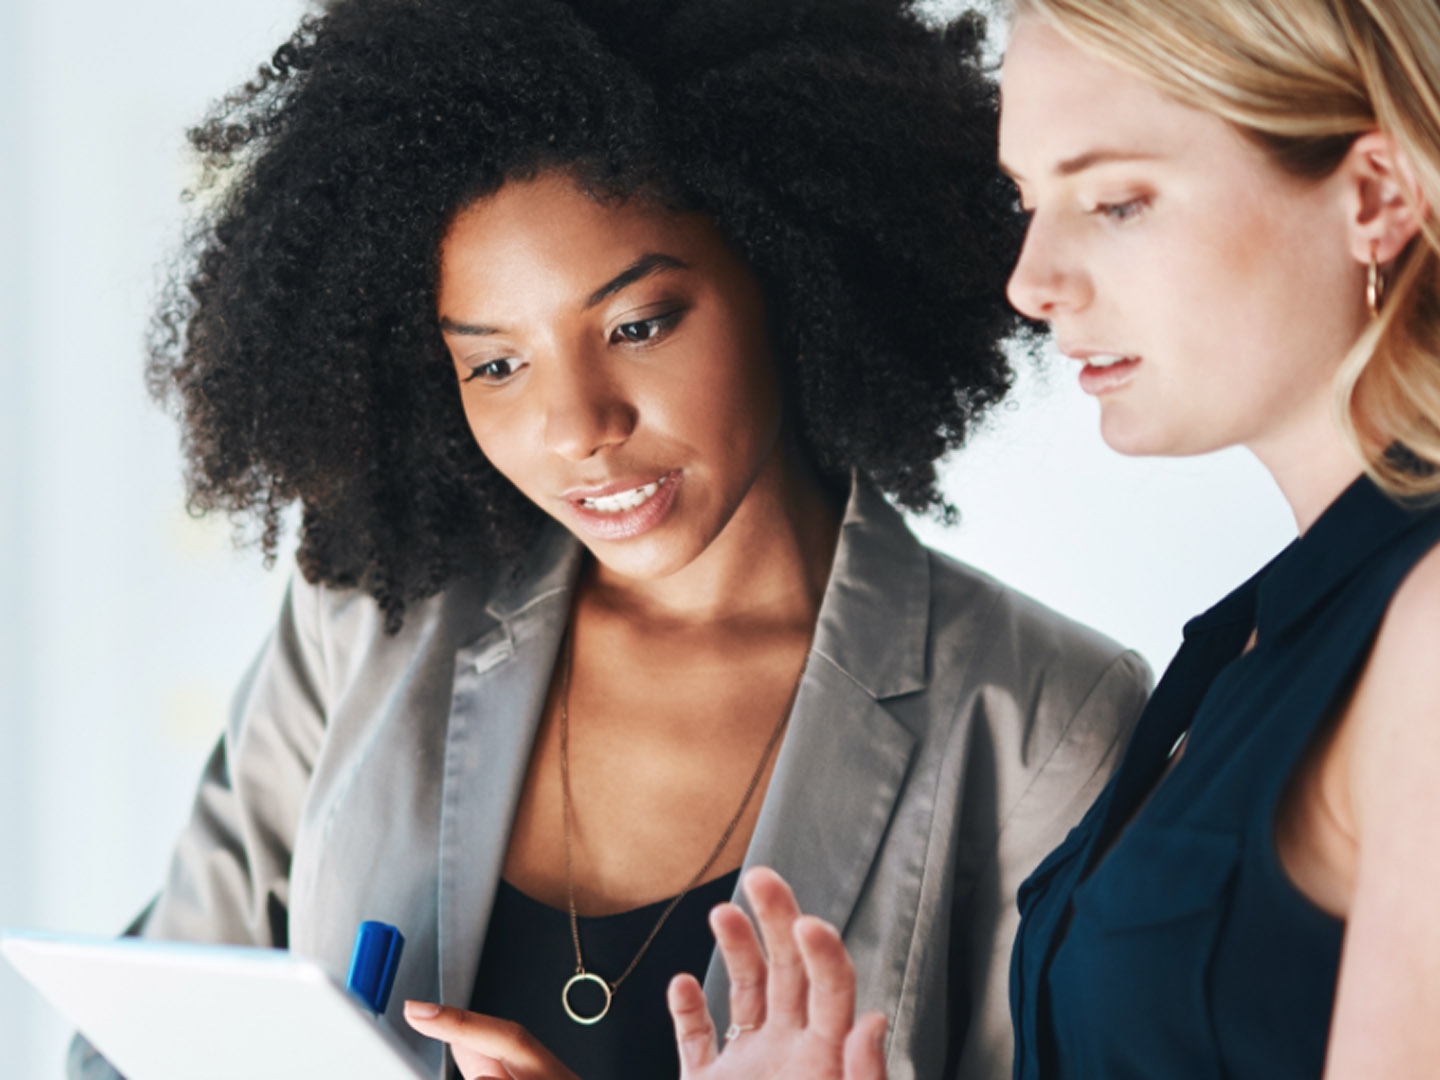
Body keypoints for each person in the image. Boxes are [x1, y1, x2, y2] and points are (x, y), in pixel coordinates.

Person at [67, 2, 1149, 1079]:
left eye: (638, 326)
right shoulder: (369, 617)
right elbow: (121, 1052)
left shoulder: (1043, 720)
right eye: (496, 365)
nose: (579, 428)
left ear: (787, 266)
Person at [669, 0, 1440, 1077]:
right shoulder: (1255, 640)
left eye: (1116, 202)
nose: (1030, 283)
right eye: (1027, 202)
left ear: (1378, 195)